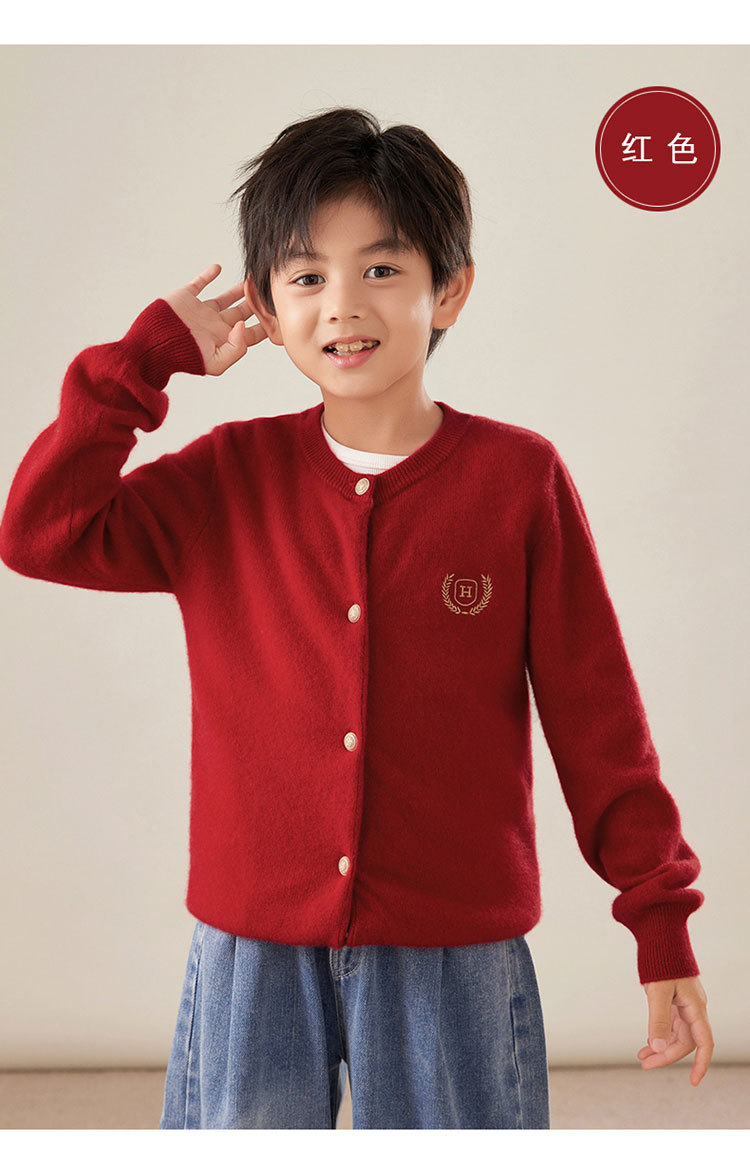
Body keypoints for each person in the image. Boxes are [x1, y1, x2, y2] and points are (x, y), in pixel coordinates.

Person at [0, 106, 714, 1129]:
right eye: (306, 276)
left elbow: (599, 724)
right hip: (251, 940)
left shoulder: (518, 480)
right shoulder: (226, 478)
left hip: (452, 947)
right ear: (265, 304)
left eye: (381, 268)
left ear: (449, 289)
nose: (343, 304)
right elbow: (41, 532)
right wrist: (141, 363)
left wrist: (660, 921)